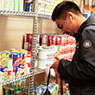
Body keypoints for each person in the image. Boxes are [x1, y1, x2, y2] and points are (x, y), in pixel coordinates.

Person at [51, 1, 95, 95]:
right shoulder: (85, 31)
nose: (62, 32)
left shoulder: (89, 32)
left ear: (70, 16)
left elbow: (90, 69)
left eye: (61, 26)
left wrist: (61, 65)